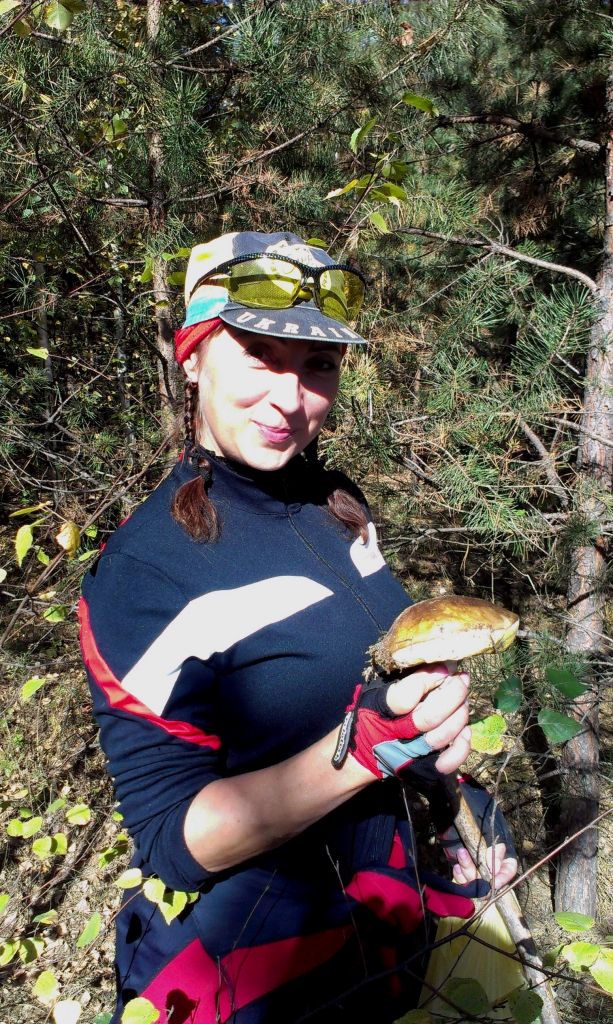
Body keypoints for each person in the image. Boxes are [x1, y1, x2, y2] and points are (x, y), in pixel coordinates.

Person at [79, 231, 517, 1024]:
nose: (292, 397)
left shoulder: (336, 505)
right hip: (273, 969)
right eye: (259, 355)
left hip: (401, 919)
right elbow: (174, 840)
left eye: (318, 365)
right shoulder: (146, 569)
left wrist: (454, 798)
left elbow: (376, 674)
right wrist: (368, 749)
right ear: (191, 356)